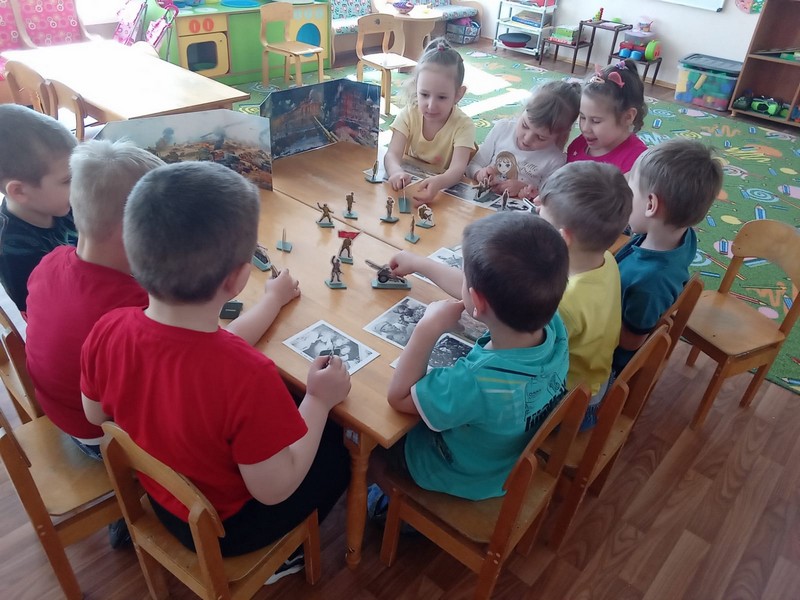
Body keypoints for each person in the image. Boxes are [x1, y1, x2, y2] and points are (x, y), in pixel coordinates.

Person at [81, 162, 351, 579]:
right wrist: (317, 400)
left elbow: (96, 415)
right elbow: (274, 489)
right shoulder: (249, 376)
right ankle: (283, 558)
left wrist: (271, 302)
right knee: (338, 452)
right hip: (227, 531)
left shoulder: (108, 328)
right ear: (240, 278)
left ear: (133, 255)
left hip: (165, 501)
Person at [371, 212, 569, 505]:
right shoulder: (554, 325)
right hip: (504, 459)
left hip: (458, 474)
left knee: (371, 444)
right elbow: (483, 291)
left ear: (476, 300)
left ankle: (392, 510)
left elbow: (399, 398)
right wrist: (420, 264)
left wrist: (428, 327)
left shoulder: (476, 382)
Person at [534, 162, 632, 429]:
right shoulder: (606, 259)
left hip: (570, 406)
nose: (536, 210)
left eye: (541, 216)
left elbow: (527, 358)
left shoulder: (562, 303)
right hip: (597, 381)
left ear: (562, 238)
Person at [613, 139, 723, 373]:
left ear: (651, 205)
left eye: (630, 191)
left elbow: (630, 342)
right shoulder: (682, 235)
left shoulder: (650, 282)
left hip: (609, 361)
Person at [0, 105, 78, 313]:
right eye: (68, 179)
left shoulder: (59, 203)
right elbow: (49, 314)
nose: (80, 185)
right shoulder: (13, 253)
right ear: (20, 191)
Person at [384, 38, 476, 206]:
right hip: (408, 190)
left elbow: (457, 169)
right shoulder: (409, 114)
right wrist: (395, 172)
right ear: (416, 87)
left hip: (441, 196)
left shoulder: (464, 125)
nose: (431, 105)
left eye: (442, 97)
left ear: (458, 94)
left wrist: (439, 182)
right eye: (424, 95)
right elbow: (392, 154)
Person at [467, 80, 581, 198]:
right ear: (524, 110)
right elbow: (473, 165)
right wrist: (479, 174)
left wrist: (525, 189)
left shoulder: (555, 160)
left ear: (560, 135)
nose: (527, 139)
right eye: (525, 125)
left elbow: (548, 197)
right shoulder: (503, 129)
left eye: (541, 137)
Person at [567, 60, 648, 174]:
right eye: (582, 117)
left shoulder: (636, 163)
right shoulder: (580, 144)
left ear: (627, 117)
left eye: (596, 121)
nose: (585, 128)